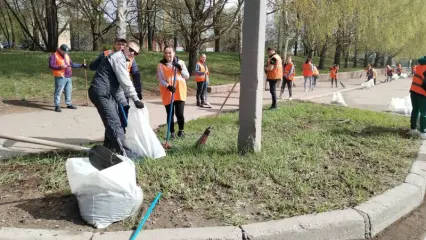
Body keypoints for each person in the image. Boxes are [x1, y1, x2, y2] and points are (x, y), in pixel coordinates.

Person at [88, 41, 144, 158]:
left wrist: (124, 103)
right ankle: (127, 154)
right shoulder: (118, 58)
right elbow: (125, 81)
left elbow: (118, 87)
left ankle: (108, 148)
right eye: (131, 49)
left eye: (136, 53)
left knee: (113, 120)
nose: (132, 53)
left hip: (107, 93)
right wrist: (135, 98)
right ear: (125, 47)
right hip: (101, 92)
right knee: (114, 123)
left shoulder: (122, 60)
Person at [157, 46, 190, 138]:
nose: (168, 55)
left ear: (174, 53)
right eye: (166, 53)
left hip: (179, 91)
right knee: (170, 114)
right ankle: (172, 132)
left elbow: (187, 76)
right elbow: (161, 79)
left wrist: (180, 69)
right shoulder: (161, 65)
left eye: (170, 52)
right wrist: (168, 86)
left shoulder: (181, 63)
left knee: (179, 114)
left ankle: (181, 131)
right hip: (168, 92)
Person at [48, 44, 86, 112]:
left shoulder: (66, 55)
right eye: (64, 52)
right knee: (58, 91)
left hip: (68, 76)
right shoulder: (54, 56)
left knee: (68, 90)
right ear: (60, 49)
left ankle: (69, 104)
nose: (65, 53)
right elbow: (51, 65)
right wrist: (60, 67)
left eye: (66, 52)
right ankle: (57, 106)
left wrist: (82, 65)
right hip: (60, 76)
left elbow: (72, 64)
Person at [407, 56, 426, 140]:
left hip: (413, 92)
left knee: (415, 110)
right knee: (424, 113)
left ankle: (413, 129)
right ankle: (423, 132)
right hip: (422, 94)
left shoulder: (418, 66)